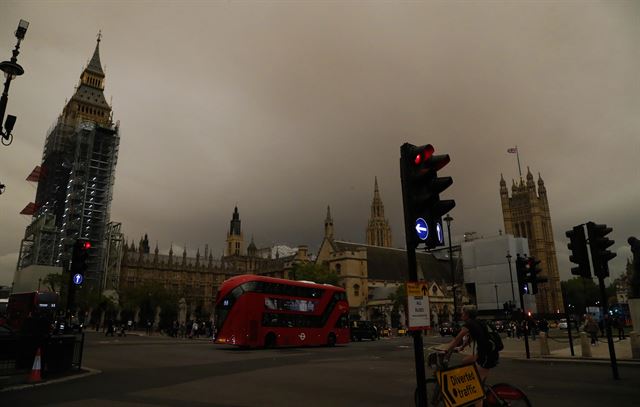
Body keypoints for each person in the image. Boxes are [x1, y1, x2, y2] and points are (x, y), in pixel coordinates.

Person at [445, 306, 498, 407]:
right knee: (465, 361)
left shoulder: (469, 324)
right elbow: (473, 337)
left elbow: (456, 339)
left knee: (476, 392)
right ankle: (474, 382)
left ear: (467, 315)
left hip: (486, 358)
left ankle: (478, 393)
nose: (461, 315)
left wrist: (447, 351)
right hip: (489, 354)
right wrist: (462, 347)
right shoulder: (478, 322)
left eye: (462, 313)